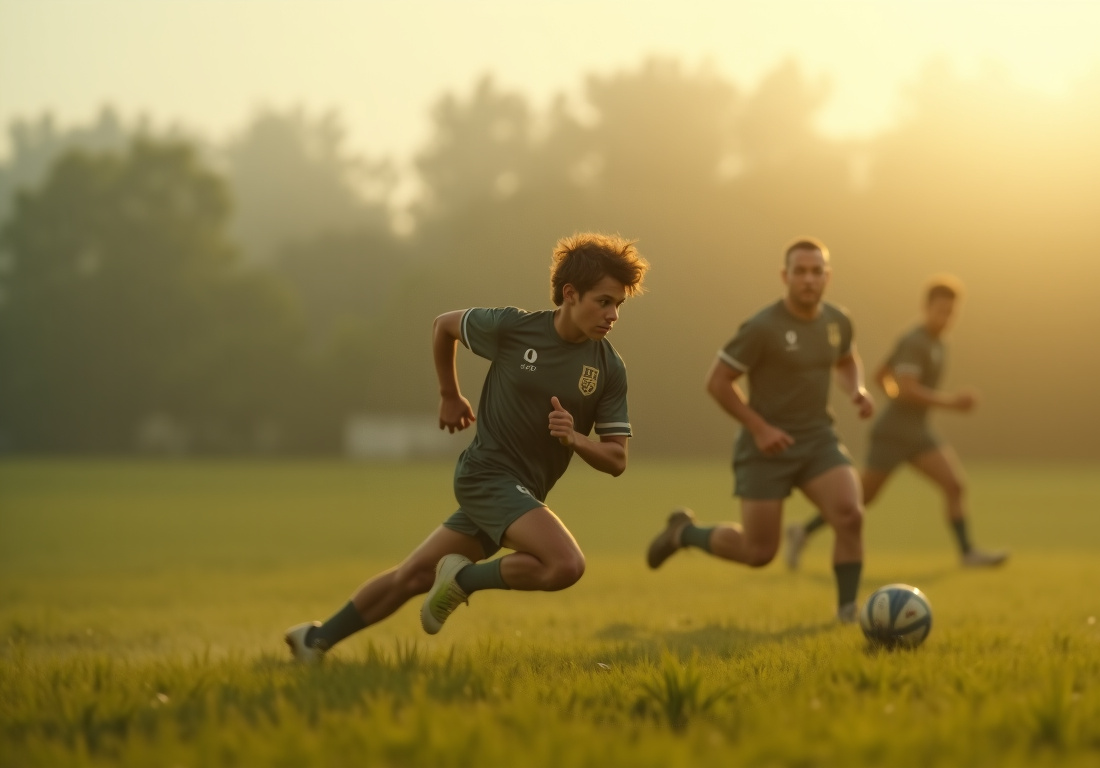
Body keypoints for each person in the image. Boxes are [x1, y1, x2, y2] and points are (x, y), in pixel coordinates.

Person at [285, 233, 648, 662]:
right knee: (565, 565)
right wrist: (449, 394)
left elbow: (617, 459)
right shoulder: (514, 327)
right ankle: (464, 581)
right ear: (570, 294)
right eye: (604, 302)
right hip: (486, 475)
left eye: (618, 306)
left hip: (521, 494)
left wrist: (576, 439)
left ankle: (314, 640)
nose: (612, 315)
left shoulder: (609, 367)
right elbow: (443, 325)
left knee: (414, 575)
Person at [645, 238, 874, 622]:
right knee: (758, 553)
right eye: (800, 271)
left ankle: (848, 612)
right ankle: (683, 533)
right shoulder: (762, 327)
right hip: (765, 447)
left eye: (817, 271)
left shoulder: (838, 321)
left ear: (827, 277)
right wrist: (760, 427)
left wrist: (857, 388)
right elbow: (718, 381)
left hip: (818, 439)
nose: (808, 279)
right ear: (785, 276)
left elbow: (848, 359)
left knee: (850, 515)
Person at [786, 276, 1008, 569]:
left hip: (917, 431)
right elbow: (906, 388)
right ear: (925, 307)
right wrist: (951, 402)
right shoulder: (915, 341)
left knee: (954, 486)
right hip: (894, 433)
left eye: (952, 312)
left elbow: (881, 375)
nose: (946, 318)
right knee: (861, 499)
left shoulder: (938, 342)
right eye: (941, 310)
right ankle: (801, 532)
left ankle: (967, 553)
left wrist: (900, 395)